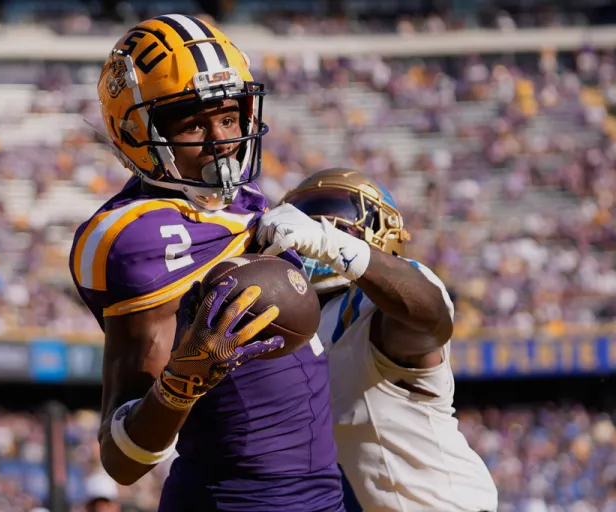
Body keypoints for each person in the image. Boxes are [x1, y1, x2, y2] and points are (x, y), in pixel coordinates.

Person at [70, 15, 345, 511]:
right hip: (235, 501)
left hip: (320, 493)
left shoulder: (245, 199)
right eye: (195, 122)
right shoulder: (140, 236)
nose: (221, 139)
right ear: (137, 130)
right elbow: (121, 460)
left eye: (229, 117)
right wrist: (186, 376)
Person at [257, 168, 498, 512]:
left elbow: (429, 319)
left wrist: (334, 245)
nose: (313, 229)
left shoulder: (373, 308)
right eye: (307, 220)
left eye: (337, 221)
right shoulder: (289, 324)